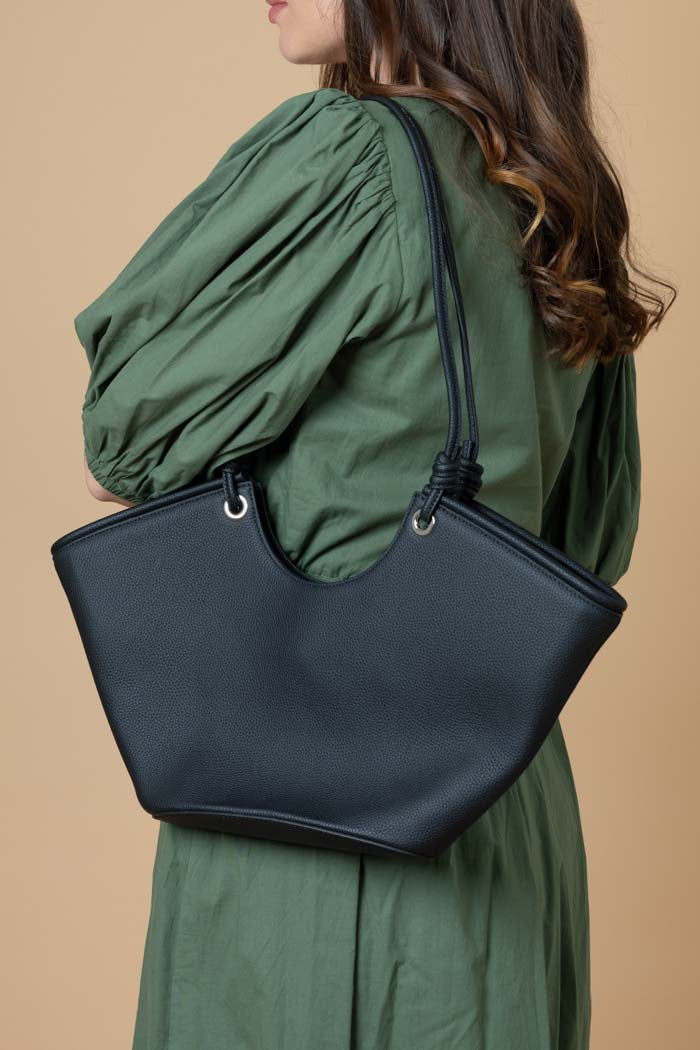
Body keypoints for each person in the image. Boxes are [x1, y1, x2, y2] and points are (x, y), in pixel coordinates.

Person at [74, 2, 674, 1047]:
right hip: (497, 811)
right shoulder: (554, 202)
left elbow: (122, 438)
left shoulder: (348, 158)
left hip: (311, 828)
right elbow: (588, 539)